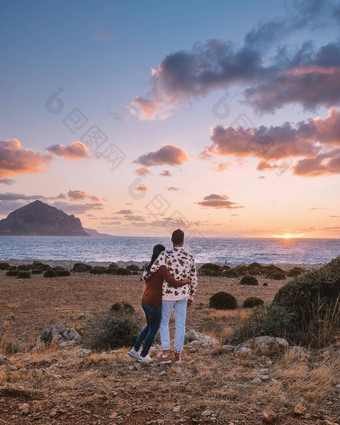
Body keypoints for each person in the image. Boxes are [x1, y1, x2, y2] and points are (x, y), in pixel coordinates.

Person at [128, 244, 190, 363]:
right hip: (154, 302)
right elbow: (173, 282)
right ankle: (143, 355)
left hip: (145, 300)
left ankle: (135, 350)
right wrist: (186, 281)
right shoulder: (161, 268)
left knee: (149, 326)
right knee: (154, 328)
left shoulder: (149, 266)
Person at [144, 229, 198, 363]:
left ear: (171, 240)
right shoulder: (190, 256)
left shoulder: (165, 254)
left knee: (164, 322)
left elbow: (152, 269)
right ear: (183, 240)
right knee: (180, 324)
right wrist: (192, 295)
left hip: (167, 295)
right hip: (183, 295)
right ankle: (178, 355)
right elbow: (194, 278)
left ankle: (166, 353)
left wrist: (144, 276)